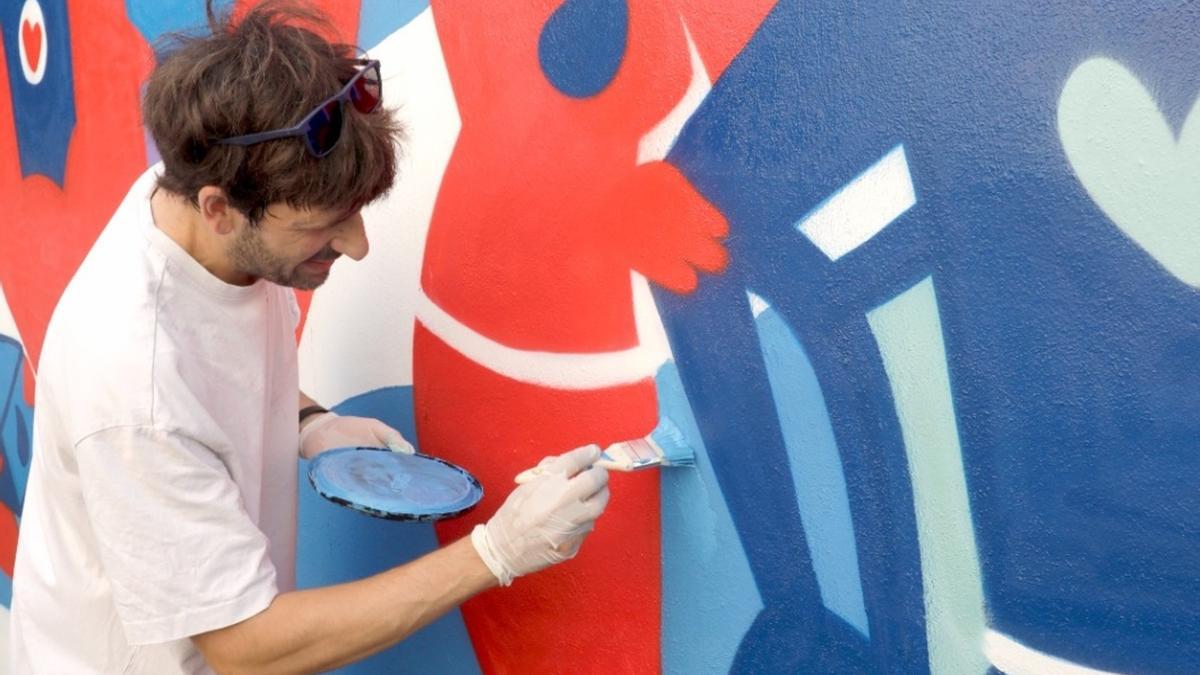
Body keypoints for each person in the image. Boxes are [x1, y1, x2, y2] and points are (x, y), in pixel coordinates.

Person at [8, 3, 609, 673]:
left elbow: (210, 366)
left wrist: (310, 420)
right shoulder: (132, 379)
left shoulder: (191, 194)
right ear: (220, 209)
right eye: (327, 224)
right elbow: (246, 646)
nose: (356, 246)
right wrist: (496, 551)